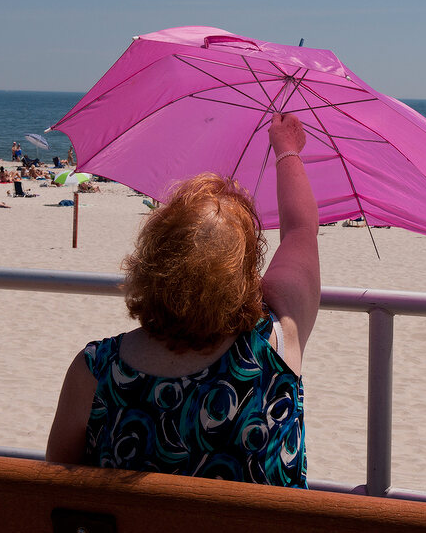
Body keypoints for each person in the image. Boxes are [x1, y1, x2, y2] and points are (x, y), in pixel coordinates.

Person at [46, 113, 319, 488]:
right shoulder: (276, 345)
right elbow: (301, 230)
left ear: (151, 261)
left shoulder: (94, 370)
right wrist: (286, 149)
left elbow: (58, 481)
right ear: (245, 275)